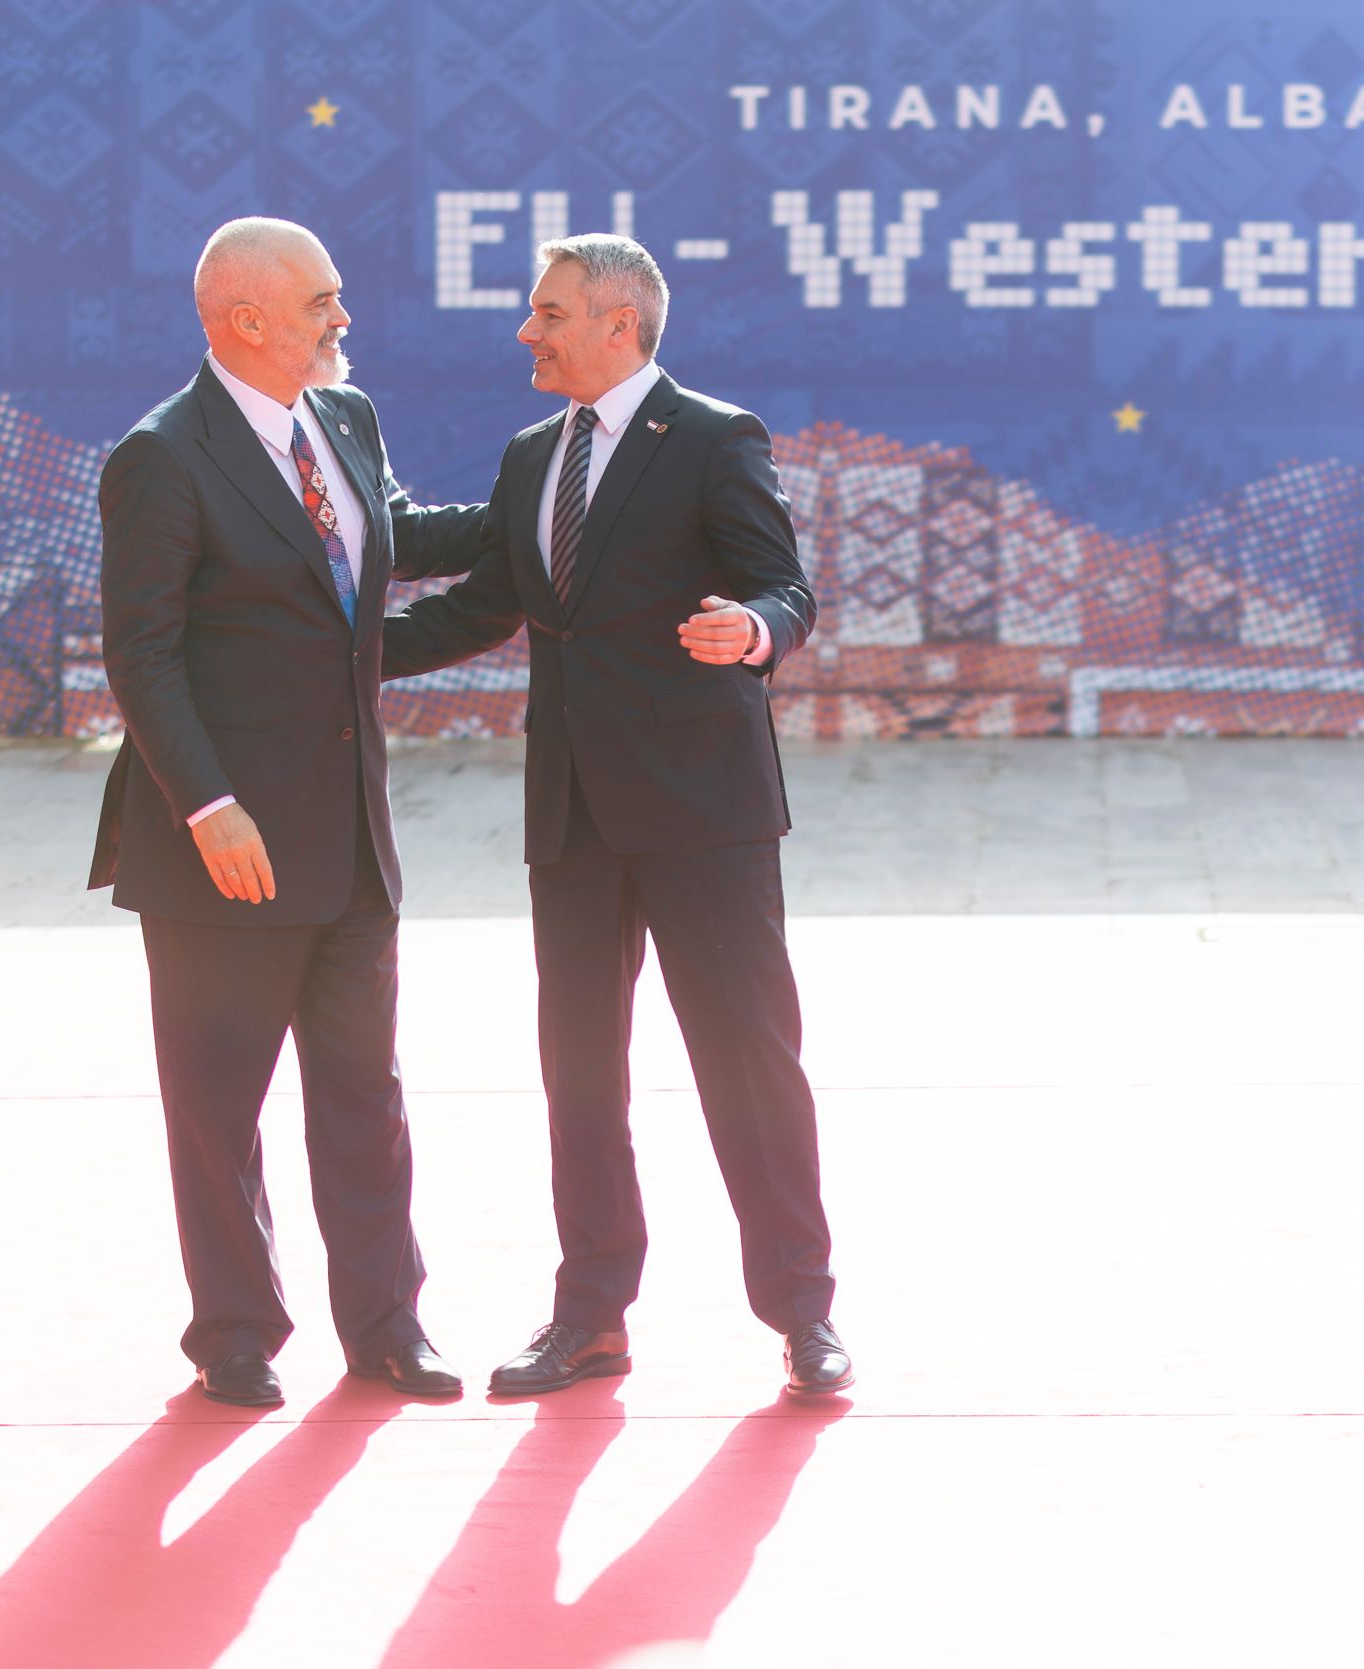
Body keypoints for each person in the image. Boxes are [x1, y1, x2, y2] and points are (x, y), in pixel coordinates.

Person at [382, 233, 850, 1398]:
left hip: (704, 812)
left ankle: (804, 1315)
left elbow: (782, 583)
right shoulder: (534, 452)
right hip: (574, 816)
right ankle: (590, 1313)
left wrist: (753, 631)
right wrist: (337, 663)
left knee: (748, 1063)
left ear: (619, 323)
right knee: (580, 1074)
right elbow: (494, 603)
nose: (527, 332)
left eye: (547, 313)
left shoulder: (712, 437)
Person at [89, 217, 494, 1407]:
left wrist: (537, 509)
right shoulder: (162, 457)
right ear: (246, 319)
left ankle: (386, 1325)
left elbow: (394, 539)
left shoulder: (346, 421)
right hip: (227, 845)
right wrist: (209, 806)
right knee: (218, 1107)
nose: (342, 319)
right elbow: (144, 655)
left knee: (366, 1094)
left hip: (351, 834)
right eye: (321, 301)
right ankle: (233, 1333)